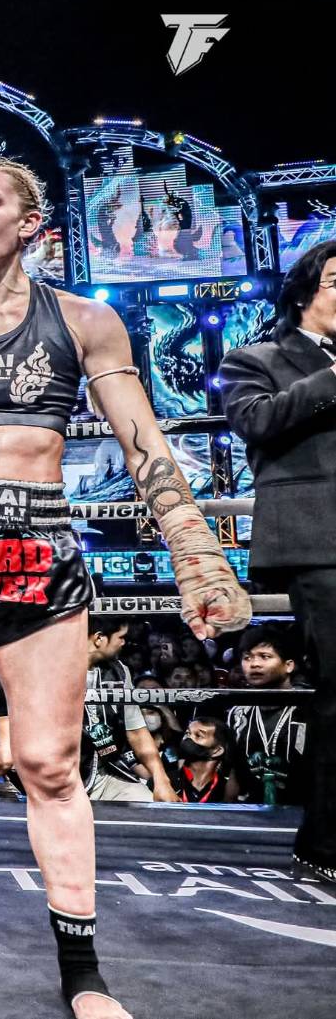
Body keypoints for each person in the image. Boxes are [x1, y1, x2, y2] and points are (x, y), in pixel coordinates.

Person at [0, 157, 249, 1019]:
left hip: (35, 562)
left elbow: (142, 440)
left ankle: (83, 973)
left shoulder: (83, 321)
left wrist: (191, 543)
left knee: (47, 763)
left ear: (29, 222)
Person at [220, 239, 336, 883]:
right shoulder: (257, 359)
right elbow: (256, 422)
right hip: (320, 542)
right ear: (303, 294)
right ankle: (325, 843)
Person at [81, 617, 176, 803]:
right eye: (121, 637)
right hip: (59, 776)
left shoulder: (119, 672)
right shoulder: (53, 671)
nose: (124, 643)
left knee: (151, 806)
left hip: (104, 774)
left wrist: (161, 780)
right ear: (99, 638)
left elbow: (137, 732)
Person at [227, 626, 311, 806]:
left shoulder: (310, 708)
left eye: (265, 656)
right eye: (247, 658)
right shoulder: (238, 714)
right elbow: (235, 771)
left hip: (306, 809)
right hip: (253, 810)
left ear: (288, 665)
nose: (254, 664)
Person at [173, 717, 237, 803]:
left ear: (217, 751)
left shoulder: (227, 790)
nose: (188, 737)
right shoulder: (166, 780)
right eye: (187, 733)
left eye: (198, 735)